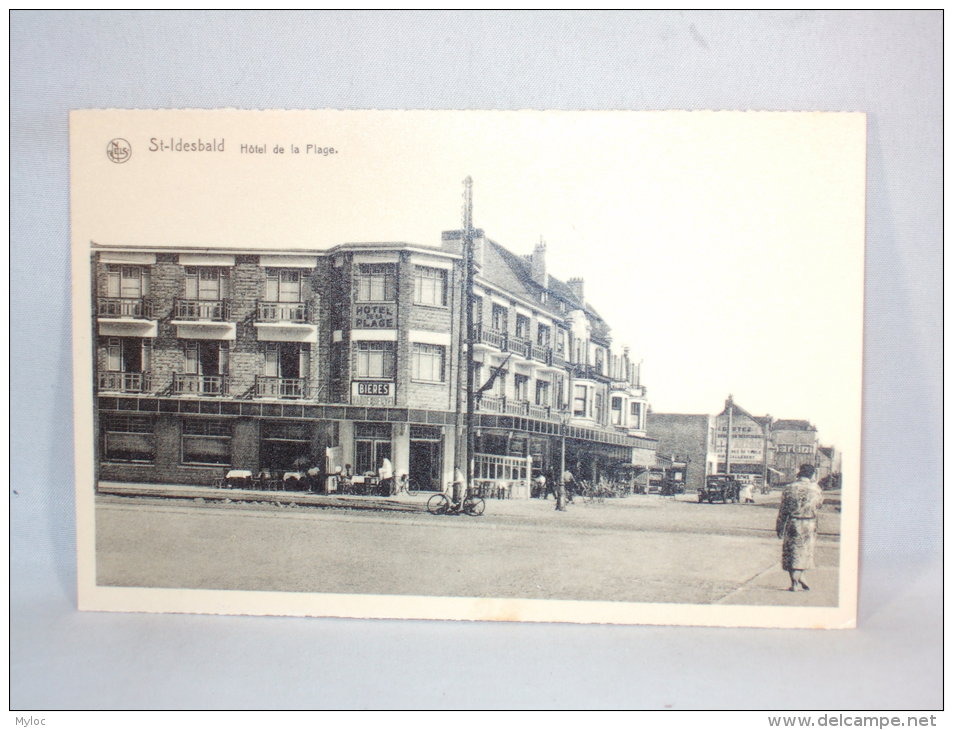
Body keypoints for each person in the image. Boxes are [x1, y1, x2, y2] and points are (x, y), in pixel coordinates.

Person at [776, 463, 824, 592]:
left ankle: (795, 582)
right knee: (805, 552)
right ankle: (801, 577)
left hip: (793, 523)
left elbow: (783, 509)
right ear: (812, 474)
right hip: (809, 524)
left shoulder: (789, 488)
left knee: (792, 552)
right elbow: (819, 505)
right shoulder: (816, 489)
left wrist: (780, 526)